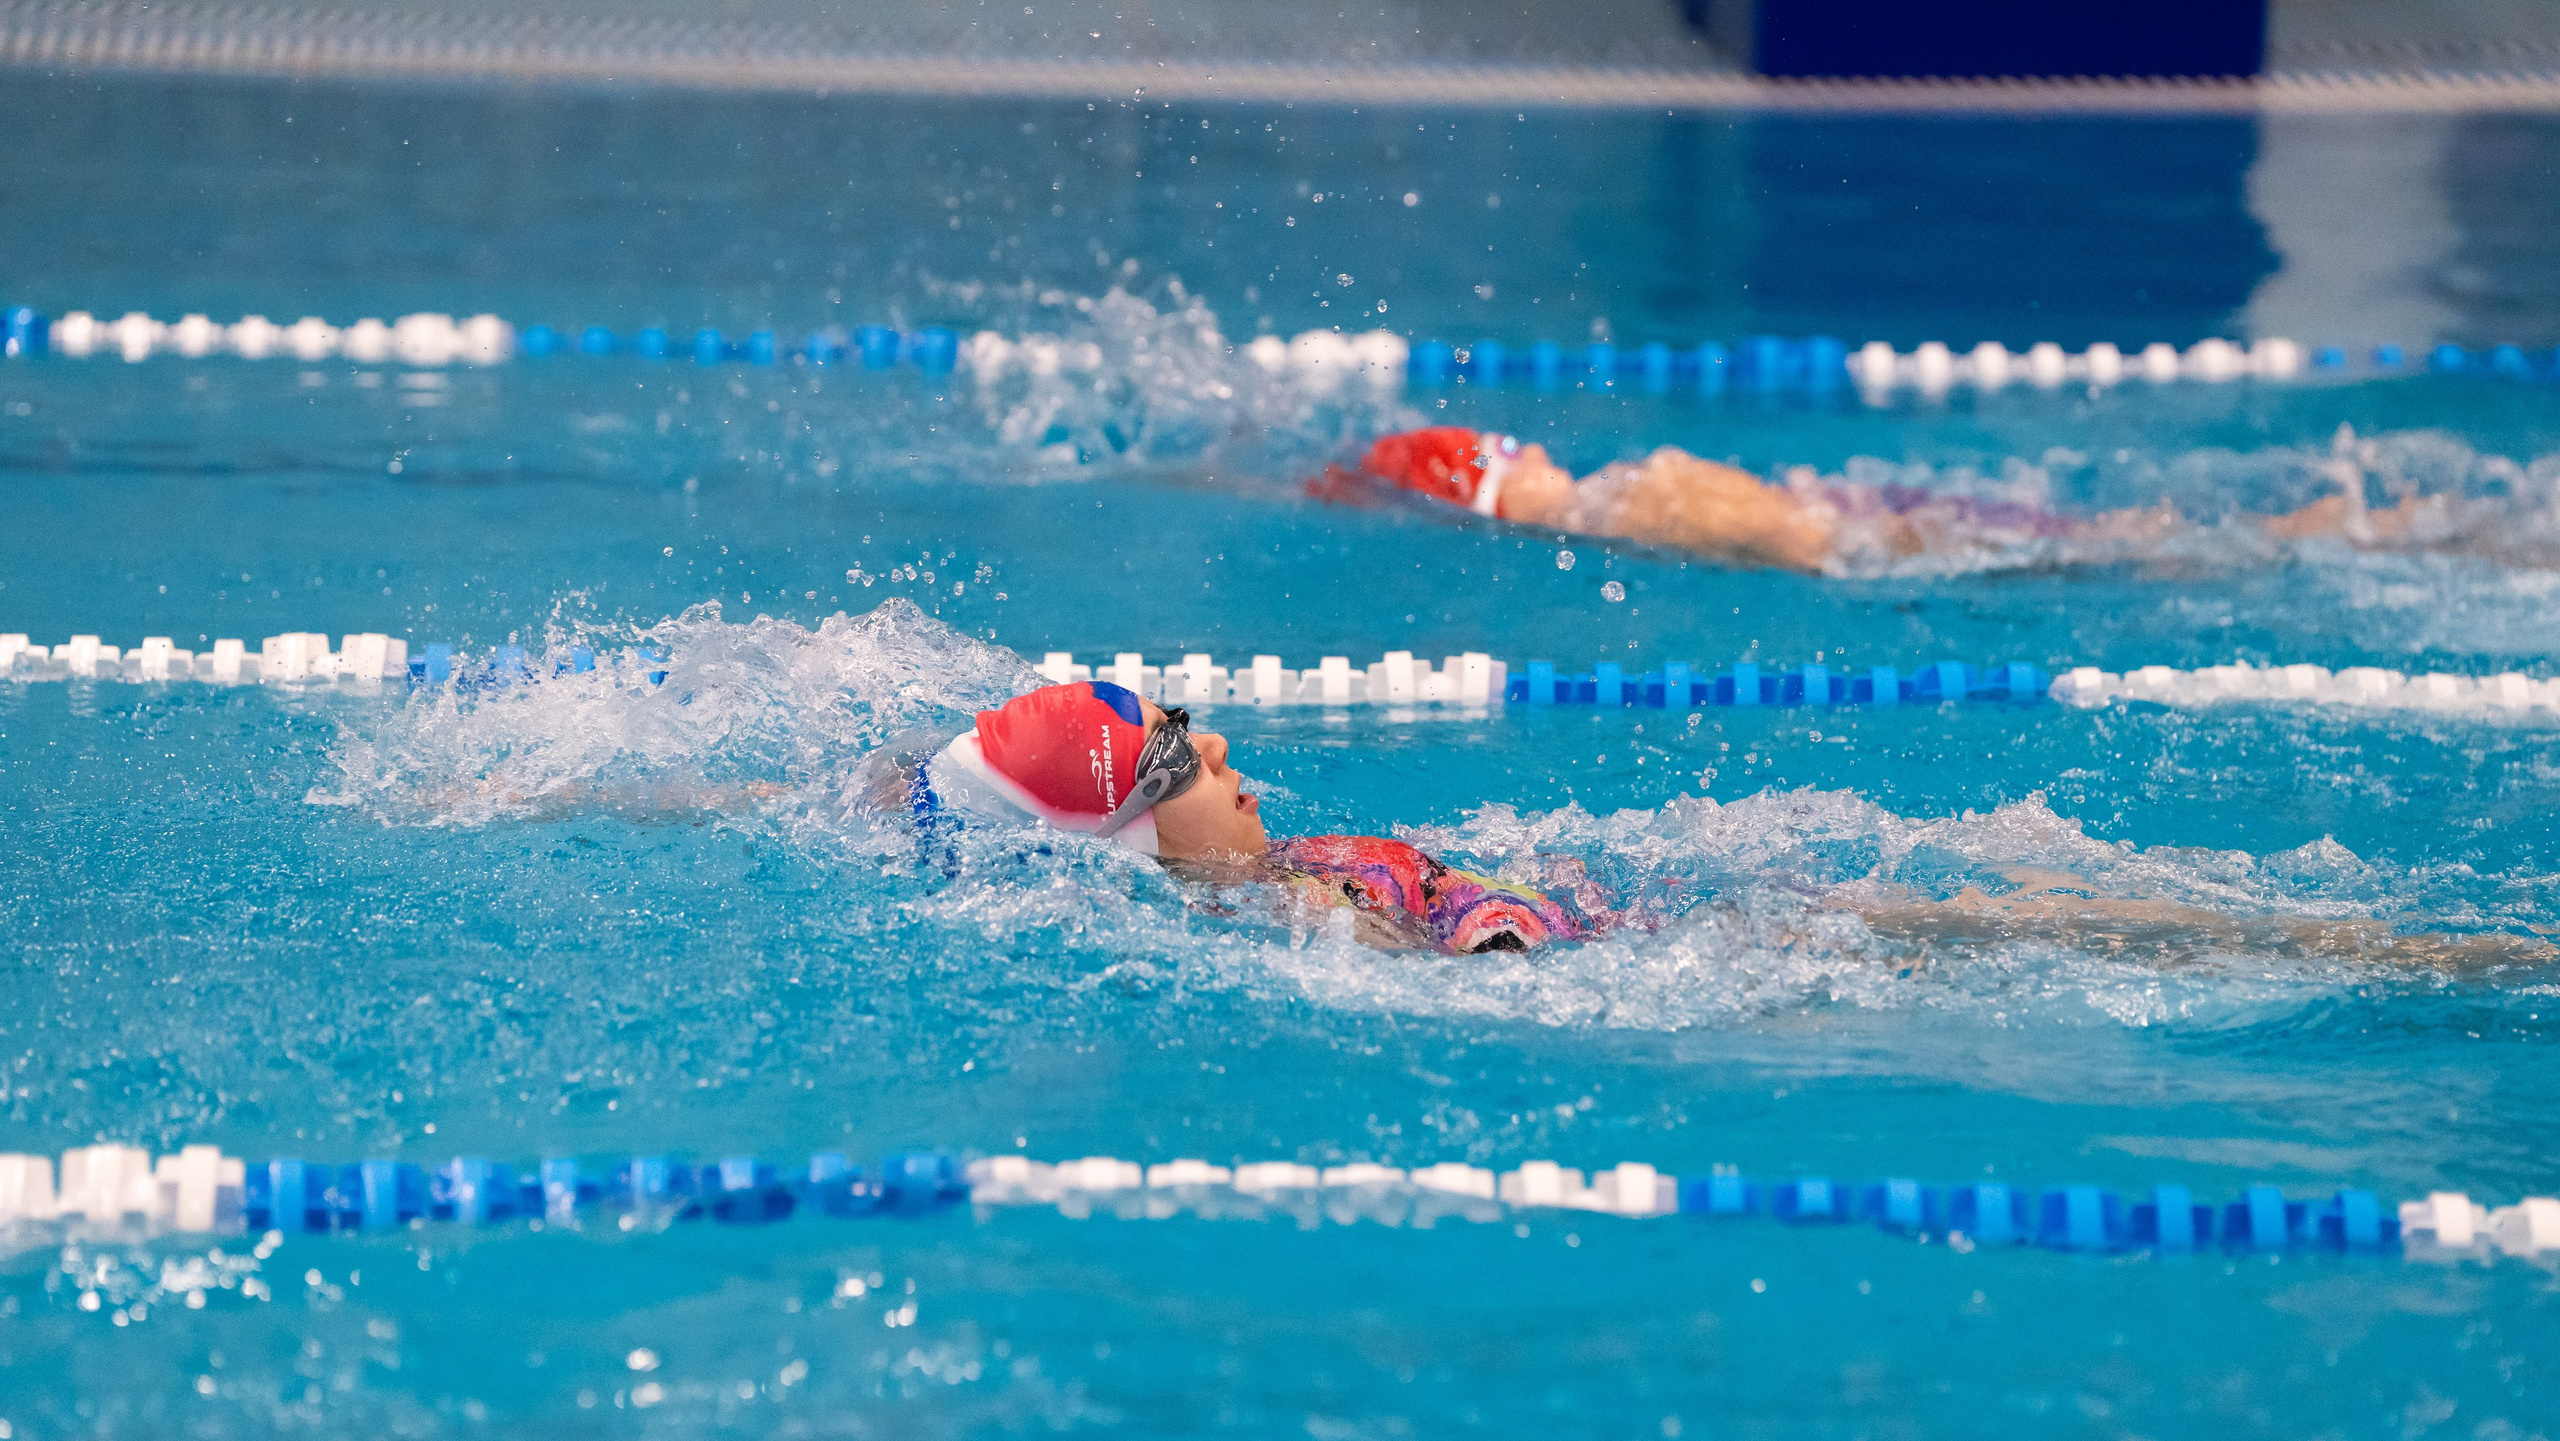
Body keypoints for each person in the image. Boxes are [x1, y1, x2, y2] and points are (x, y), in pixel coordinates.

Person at [900, 679, 1602, 954]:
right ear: (1122, 836)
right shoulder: (1290, 920)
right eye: (1173, 756)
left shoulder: (1279, 878)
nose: (1214, 745)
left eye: (1178, 721)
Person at [1350, 425, 2459, 575]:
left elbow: (1803, 540)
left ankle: (2366, 533)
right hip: (1874, 522)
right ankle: (2370, 531)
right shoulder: (1634, 484)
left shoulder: (1624, 507)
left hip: (1880, 541)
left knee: (2146, 551)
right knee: (2132, 541)